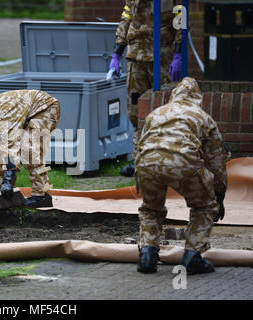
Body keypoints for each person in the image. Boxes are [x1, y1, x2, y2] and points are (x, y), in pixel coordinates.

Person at [135, 77, 228, 274]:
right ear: (197, 98)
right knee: (204, 206)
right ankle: (192, 256)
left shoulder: (155, 113)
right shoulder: (202, 117)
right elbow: (216, 161)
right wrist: (219, 195)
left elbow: (141, 144)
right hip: (183, 162)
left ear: (174, 95)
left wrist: (138, 176)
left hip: (147, 163)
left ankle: (147, 254)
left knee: (151, 208)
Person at [109, 0, 183, 177]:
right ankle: (139, 160)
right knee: (136, 110)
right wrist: (117, 53)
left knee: (165, 111)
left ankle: (164, 160)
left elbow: (182, 21)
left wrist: (179, 53)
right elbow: (126, 18)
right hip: (136, 58)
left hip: (162, 58)